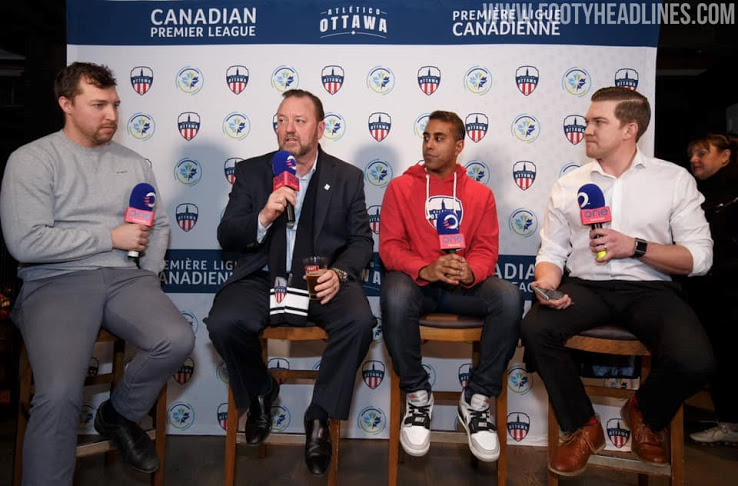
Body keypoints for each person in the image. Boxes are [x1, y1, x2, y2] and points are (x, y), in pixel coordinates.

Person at [0, 62, 195, 484]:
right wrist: (110, 237)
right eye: (99, 105)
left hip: (125, 278)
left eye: (115, 105)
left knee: (177, 338)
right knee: (59, 395)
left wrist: (150, 273)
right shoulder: (31, 160)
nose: (111, 115)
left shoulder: (134, 162)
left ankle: (117, 413)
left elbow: (157, 224)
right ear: (66, 104)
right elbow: (26, 242)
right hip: (54, 281)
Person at [521, 86, 715, 476]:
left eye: (598, 122)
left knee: (698, 360)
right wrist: (546, 284)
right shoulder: (570, 184)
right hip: (588, 286)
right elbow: (552, 253)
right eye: (587, 121)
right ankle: (584, 426)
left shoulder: (673, 180)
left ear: (630, 129)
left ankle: (644, 411)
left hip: (651, 288)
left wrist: (637, 247)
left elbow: (700, 258)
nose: (586, 129)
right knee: (536, 328)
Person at [205, 89, 374, 477]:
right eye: (281, 120)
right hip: (262, 280)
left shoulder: (347, 177)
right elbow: (228, 235)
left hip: (319, 279)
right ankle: (262, 391)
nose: (289, 129)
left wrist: (341, 273)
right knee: (223, 322)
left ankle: (319, 416)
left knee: (359, 321)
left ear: (320, 129)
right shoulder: (252, 171)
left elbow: (362, 240)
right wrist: (263, 215)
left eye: (299, 120)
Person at [379, 110, 523, 462]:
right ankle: (417, 396)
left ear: (459, 145)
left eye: (439, 138)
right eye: (426, 137)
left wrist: (469, 271)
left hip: (463, 288)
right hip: (420, 286)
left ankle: (476, 401)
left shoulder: (480, 195)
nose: (429, 145)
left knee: (509, 296)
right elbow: (390, 247)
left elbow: (487, 250)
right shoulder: (400, 187)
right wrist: (425, 268)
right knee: (394, 292)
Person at [684, 133, 738, 445]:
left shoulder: (731, 196)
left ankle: (730, 423)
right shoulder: (698, 193)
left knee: (728, 356)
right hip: (708, 293)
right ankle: (727, 417)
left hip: (728, 294)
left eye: (703, 152)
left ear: (725, 156)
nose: (695, 159)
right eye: (692, 153)